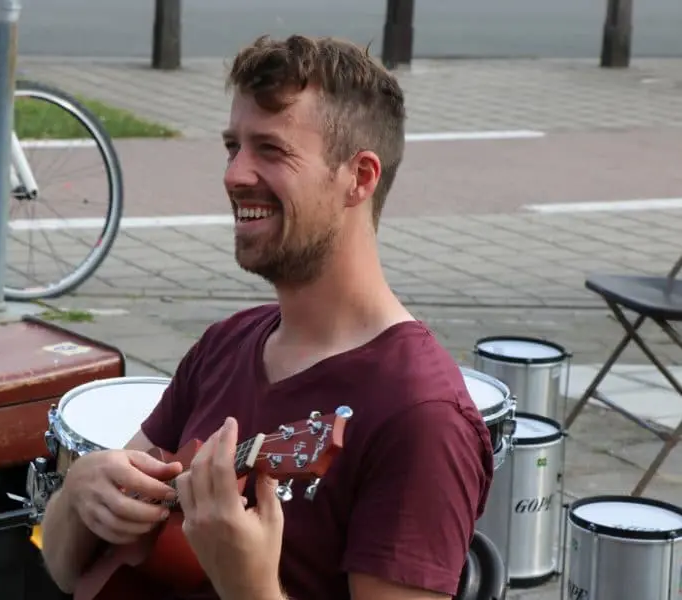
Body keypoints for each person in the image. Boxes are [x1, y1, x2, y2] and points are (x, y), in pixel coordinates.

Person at [40, 34, 494, 600]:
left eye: (271, 151)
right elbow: (67, 571)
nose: (235, 174)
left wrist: (248, 584)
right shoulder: (226, 344)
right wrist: (77, 495)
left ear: (360, 177)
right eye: (233, 147)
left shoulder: (421, 415)